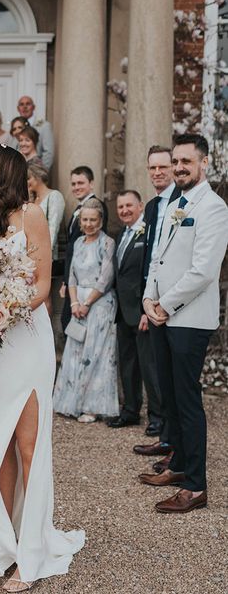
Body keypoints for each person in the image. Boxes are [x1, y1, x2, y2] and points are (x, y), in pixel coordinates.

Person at [0, 145, 84, 592]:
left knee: (28, 445)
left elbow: (44, 285)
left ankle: (30, 554)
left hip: (25, 338)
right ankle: (0, 543)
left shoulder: (32, 215)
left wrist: (1, 310)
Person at [140, 134, 228, 514]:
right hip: (162, 314)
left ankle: (195, 486)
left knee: (188, 401)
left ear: (204, 163)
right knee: (170, 397)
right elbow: (157, 258)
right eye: (175, 161)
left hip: (189, 319)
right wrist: (148, 298)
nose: (177, 167)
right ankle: (177, 465)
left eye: (185, 162)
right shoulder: (174, 202)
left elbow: (204, 271)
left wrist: (165, 303)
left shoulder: (213, 207)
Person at [132, 145, 181, 467]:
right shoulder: (150, 208)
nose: (158, 173)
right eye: (152, 168)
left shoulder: (184, 203)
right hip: (152, 297)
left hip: (178, 302)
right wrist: (146, 301)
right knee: (159, 373)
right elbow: (149, 257)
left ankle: (177, 445)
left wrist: (166, 302)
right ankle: (166, 438)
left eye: (163, 167)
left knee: (176, 380)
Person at [53, 198, 118, 423]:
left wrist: (87, 303)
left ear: (100, 221)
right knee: (74, 352)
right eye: (85, 220)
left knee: (96, 354)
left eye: (93, 219)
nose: (89, 224)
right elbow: (71, 276)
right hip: (77, 303)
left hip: (99, 305)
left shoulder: (107, 243)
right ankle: (70, 402)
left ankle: (92, 406)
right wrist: (73, 304)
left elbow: (106, 278)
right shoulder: (78, 243)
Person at [107, 190, 160, 435]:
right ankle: (130, 410)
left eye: (129, 205)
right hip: (121, 311)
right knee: (127, 365)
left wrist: (145, 311)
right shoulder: (121, 235)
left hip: (141, 312)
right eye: (120, 207)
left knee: (149, 367)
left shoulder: (148, 234)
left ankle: (158, 417)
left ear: (140, 206)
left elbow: (150, 274)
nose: (125, 210)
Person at [60, 166, 108, 331]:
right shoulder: (78, 209)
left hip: (87, 282)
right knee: (69, 323)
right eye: (73, 184)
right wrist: (67, 281)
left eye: (81, 183)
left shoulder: (97, 207)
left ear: (91, 184)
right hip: (74, 280)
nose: (76, 187)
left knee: (74, 324)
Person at [27, 161, 65, 314]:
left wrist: (44, 255)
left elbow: (53, 228)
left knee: (45, 297)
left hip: (46, 256)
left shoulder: (54, 196)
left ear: (37, 177)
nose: (27, 182)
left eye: (29, 178)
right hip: (30, 256)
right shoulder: (33, 199)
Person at [16, 95, 54, 169]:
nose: (25, 107)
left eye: (28, 104)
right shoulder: (15, 127)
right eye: (22, 104)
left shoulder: (44, 126)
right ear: (18, 109)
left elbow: (48, 152)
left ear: (33, 107)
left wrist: (41, 172)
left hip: (36, 171)